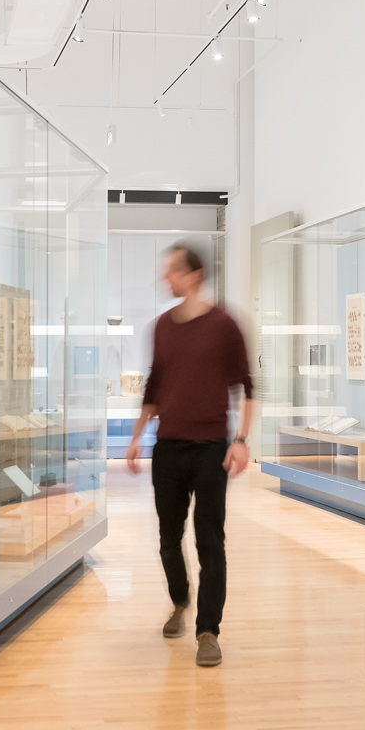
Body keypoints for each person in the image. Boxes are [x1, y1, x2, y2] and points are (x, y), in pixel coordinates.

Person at [126, 244, 255, 668]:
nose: (167, 279)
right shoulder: (161, 326)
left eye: (174, 272)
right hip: (169, 449)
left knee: (210, 541)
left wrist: (240, 440)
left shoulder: (224, 325)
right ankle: (180, 600)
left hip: (211, 451)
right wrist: (135, 438)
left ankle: (207, 631)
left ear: (195, 275)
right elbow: (153, 389)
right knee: (168, 540)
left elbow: (247, 386)